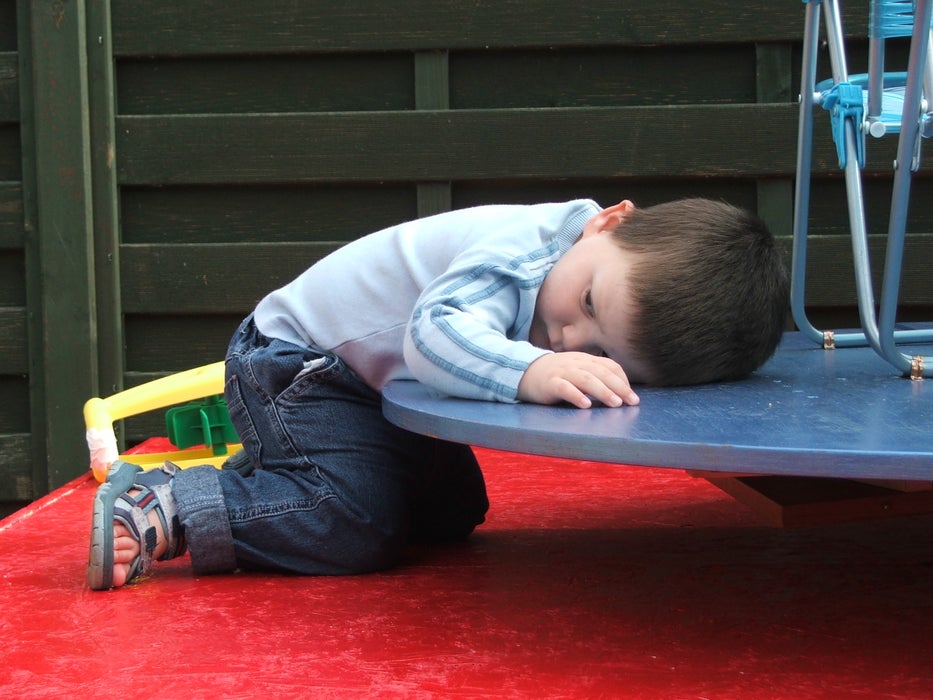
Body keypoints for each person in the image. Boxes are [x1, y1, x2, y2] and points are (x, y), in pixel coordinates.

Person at [87, 197, 788, 590]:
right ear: (608, 222)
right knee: (360, 524)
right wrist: (529, 373)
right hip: (296, 364)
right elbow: (435, 335)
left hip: (370, 388)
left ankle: (274, 481)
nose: (572, 337)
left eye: (604, 354)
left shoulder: (573, 269)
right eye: (589, 302)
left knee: (453, 511)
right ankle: (168, 505)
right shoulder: (519, 250)